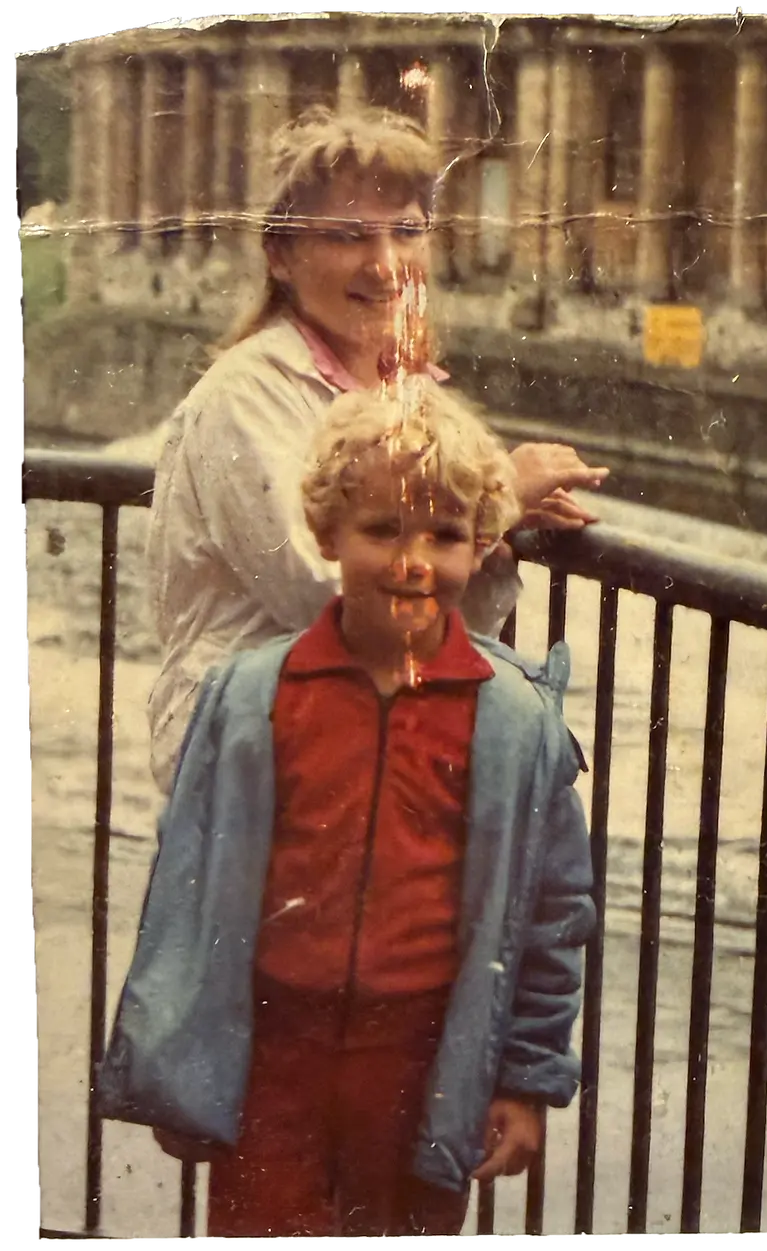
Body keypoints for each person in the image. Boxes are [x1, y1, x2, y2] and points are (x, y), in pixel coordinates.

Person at [97, 377, 596, 1238]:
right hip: (272, 1057)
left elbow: (553, 917)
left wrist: (523, 1082)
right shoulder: (252, 695)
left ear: (482, 547)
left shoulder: (514, 721)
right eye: (381, 530)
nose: (412, 561)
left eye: (444, 536)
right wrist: (182, 1060)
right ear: (327, 533)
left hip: (427, 1065)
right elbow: (188, 885)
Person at [146, 106, 609, 795]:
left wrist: (486, 529)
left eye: (407, 232)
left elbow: (444, 622)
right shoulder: (244, 397)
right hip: (251, 761)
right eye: (348, 236)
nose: (387, 264)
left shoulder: (412, 394)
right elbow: (324, 594)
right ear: (281, 255)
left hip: (366, 740)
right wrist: (498, 500)